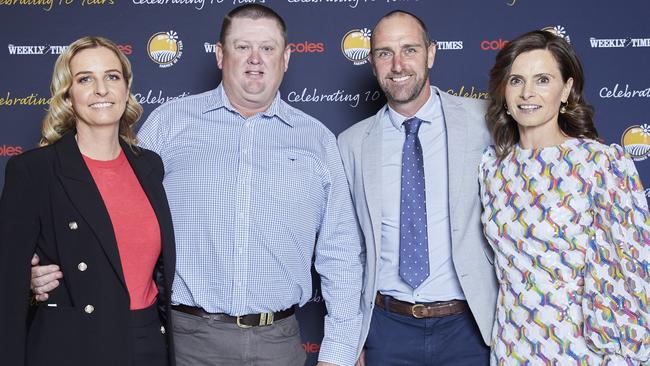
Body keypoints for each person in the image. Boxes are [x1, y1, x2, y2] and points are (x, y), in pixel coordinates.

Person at [31, 5, 363, 366]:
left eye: (267, 48)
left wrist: (339, 352)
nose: (255, 59)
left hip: (279, 343)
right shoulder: (170, 124)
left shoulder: (317, 140)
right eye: (241, 47)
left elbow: (341, 251)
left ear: (285, 58)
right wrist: (45, 268)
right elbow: (114, 214)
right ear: (220, 55)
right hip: (187, 341)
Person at [0, 36, 176, 366]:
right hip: (75, 346)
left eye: (112, 76)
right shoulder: (34, 171)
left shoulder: (149, 165)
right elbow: (7, 288)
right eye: (85, 79)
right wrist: (29, 287)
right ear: (68, 94)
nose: (101, 90)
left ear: (126, 88)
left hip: (150, 339)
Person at [479, 30, 650, 364]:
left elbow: (629, 273)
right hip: (512, 344)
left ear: (567, 90)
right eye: (516, 80)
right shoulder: (493, 168)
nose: (527, 93)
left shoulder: (600, 163)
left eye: (543, 79)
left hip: (584, 348)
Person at [338, 10, 497, 366]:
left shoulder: (485, 121)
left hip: (470, 327)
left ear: (431, 53)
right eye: (384, 53)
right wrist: (351, 338)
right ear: (372, 62)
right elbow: (347, 252)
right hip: (387, 329)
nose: (397, 64)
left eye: (409, 49)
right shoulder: (350, 144)